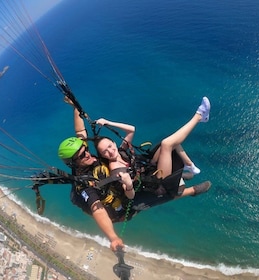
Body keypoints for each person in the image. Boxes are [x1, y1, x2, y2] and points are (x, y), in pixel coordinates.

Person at [58, 97, 211, 251]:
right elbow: (98, 210)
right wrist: (113, 237)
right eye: (82, 156)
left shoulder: (93, 157)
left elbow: (80, 133)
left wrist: (75, 108)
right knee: (164, 191)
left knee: (164, 149)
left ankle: (182, 173)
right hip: (126, 205)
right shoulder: (85, 186)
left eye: (86, 150)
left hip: (133, 180)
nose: (87, 154)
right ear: (74, 162)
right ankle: (192, 190)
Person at [94, 97, 211, 202]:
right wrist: (128, 185)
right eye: (105, 151)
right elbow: (130, 196)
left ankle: (189, 165)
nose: (110, 151)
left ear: (114, 143)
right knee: (167, 144)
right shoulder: (116, 170)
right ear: (102, 155)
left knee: (168, 141)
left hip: (151, 168)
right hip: (157, 183)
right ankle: (199, 116)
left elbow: (131, 130)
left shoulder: (120, 151)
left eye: (109, 146)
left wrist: (108, 122)